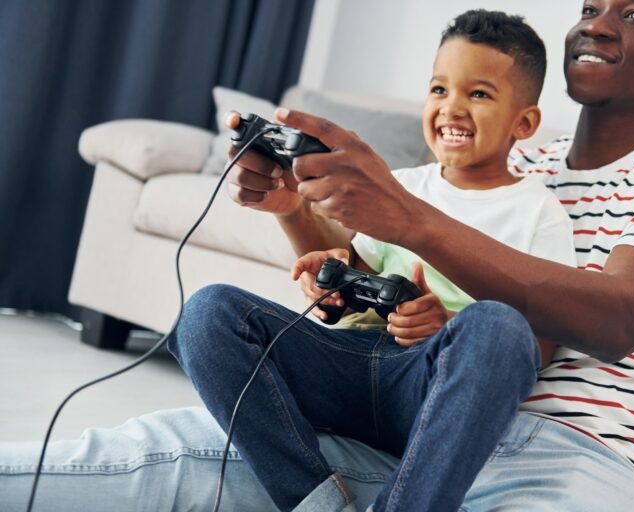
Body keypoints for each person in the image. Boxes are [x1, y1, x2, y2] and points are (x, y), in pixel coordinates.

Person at [0, 1, 634, 511]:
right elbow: (368, 279)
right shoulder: (514, 159)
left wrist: (412, 219)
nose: (598, 23)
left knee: (494, 327)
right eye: (592, 6)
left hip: (590, 461)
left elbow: (618, 316)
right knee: (124, 460)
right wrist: (298, 212)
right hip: (409, 417)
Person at [169, 10, 575, 512]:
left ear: (525, 122)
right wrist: (325, 270)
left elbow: (539, 346)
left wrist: (446, 325)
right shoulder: (400, 186)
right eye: (439, 89)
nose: (452, 108)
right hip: (352, 363)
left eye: (479, 94)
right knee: (208, 313)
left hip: (432, 386)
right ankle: (316, 502)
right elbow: (357, 271)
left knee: (497, 326)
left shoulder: (540, 211)